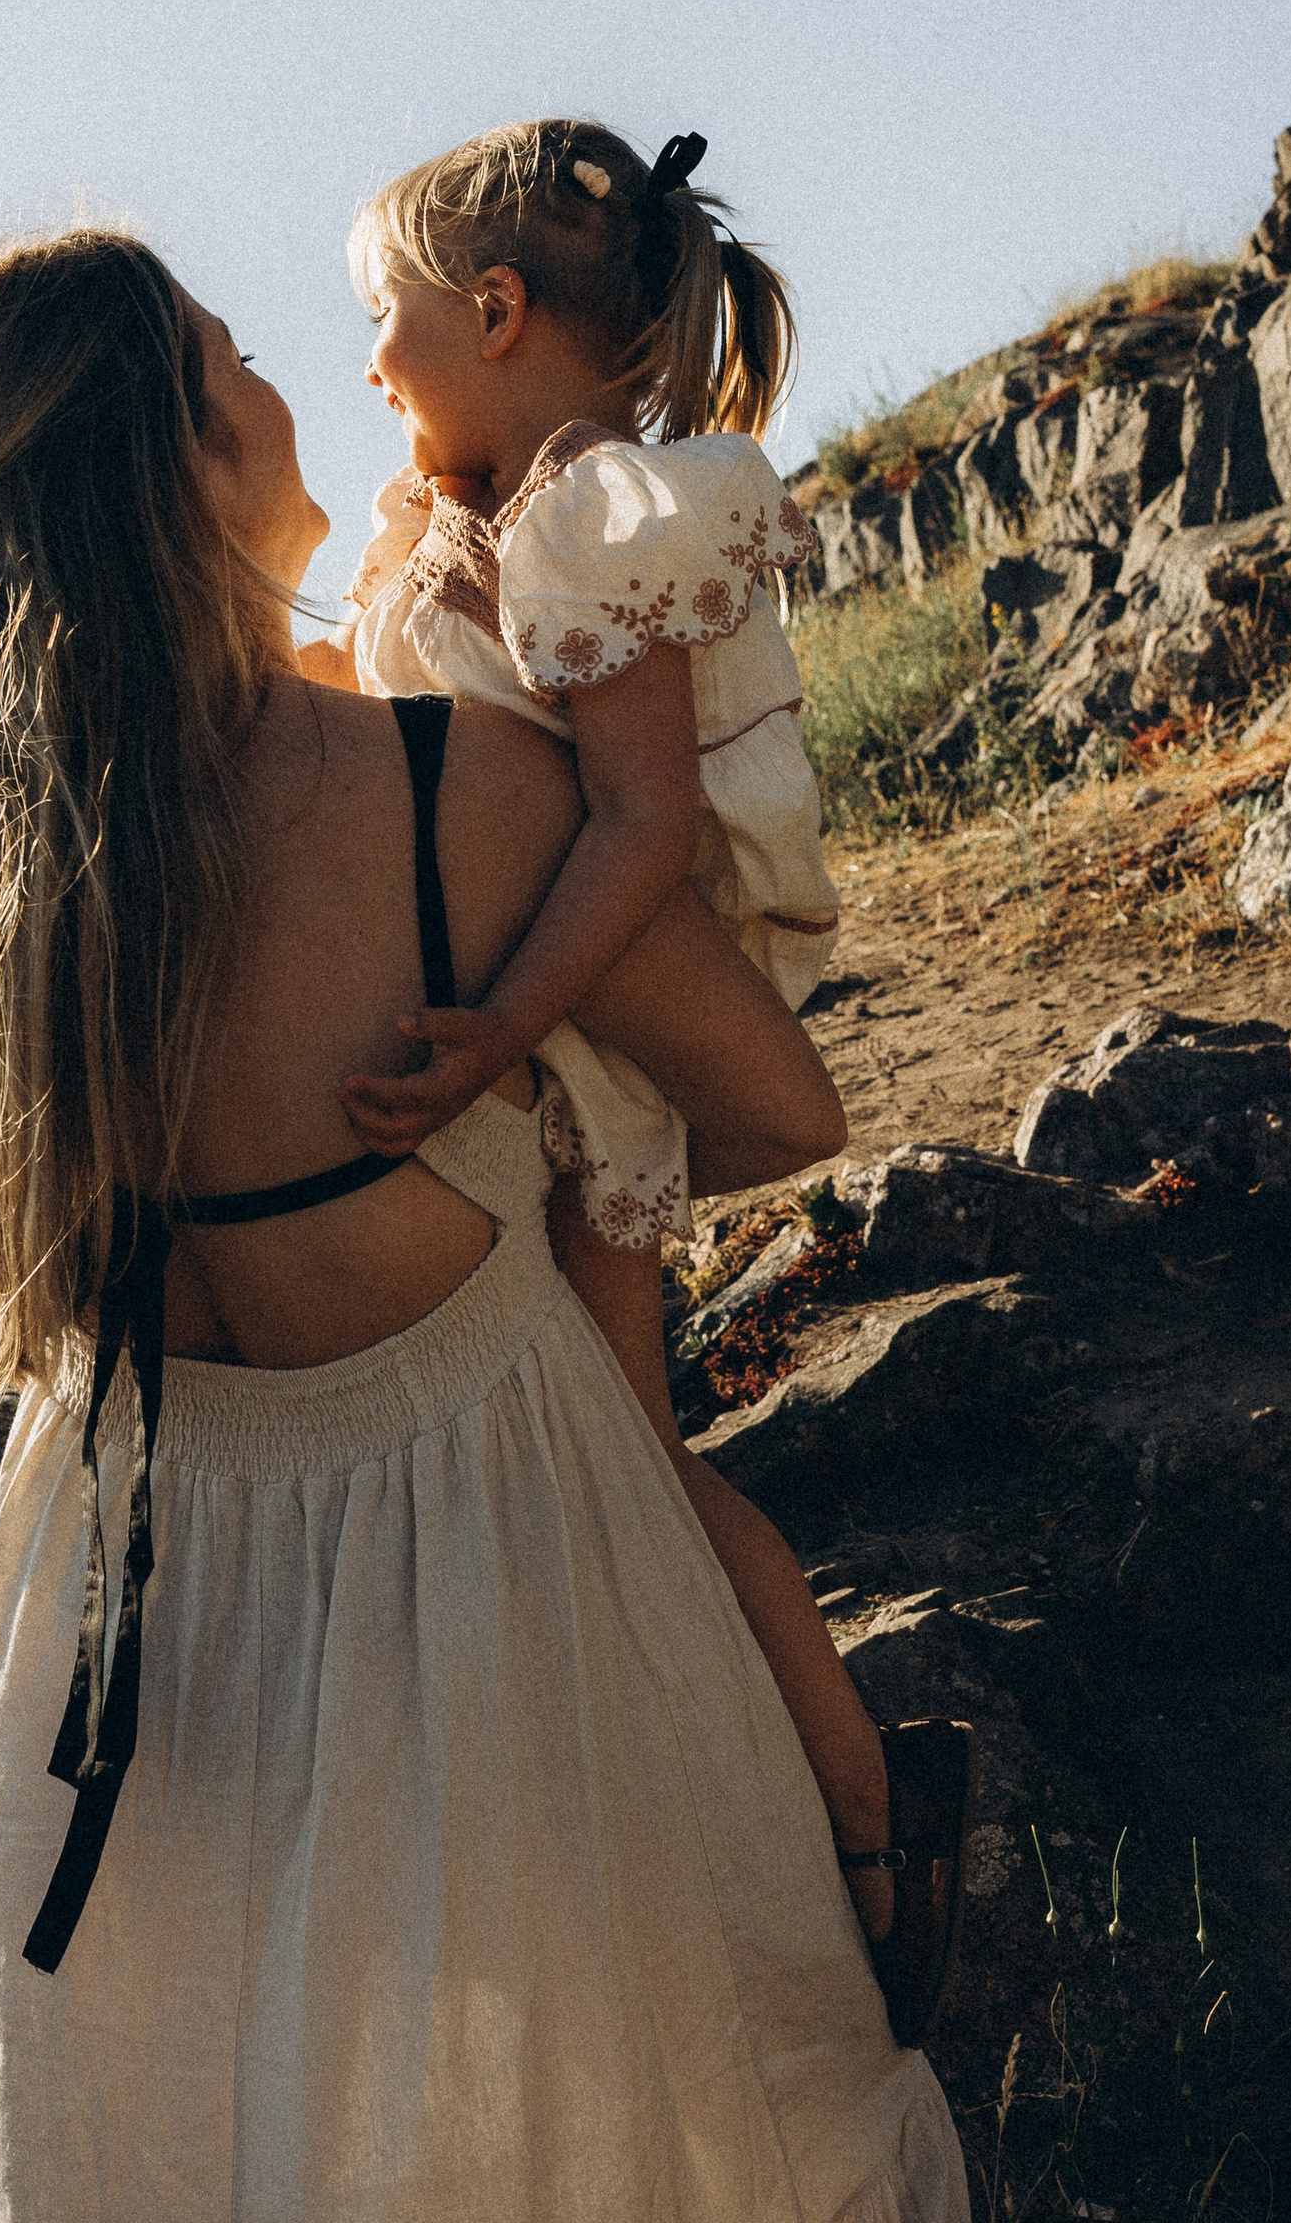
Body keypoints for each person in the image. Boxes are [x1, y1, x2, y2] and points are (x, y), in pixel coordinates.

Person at [0, 228, 978, 2223]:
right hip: (479, 1550)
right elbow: (779, 1109)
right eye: (237, 358)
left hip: (114, 1598)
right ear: (172, 455)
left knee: (197, 2203)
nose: (290, 385)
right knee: (646, 2177)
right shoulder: (449, 790)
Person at [301, 116, 948, 1963]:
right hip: (537, 1035)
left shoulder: (594, 513)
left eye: (386, 320)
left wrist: (508, 1016)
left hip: (587, 1045)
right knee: (602, 1455)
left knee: (634, 1460)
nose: (366, 366)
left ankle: (869, 1824)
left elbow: (640, 822)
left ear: (495, 311)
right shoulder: (477, 513)